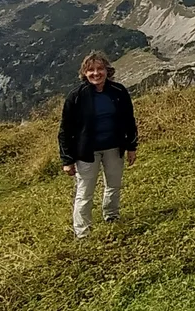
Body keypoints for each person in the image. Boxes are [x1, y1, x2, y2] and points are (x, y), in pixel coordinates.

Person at [57, 51, 139, 239]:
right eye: (91, 70)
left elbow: (129, 120)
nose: (96, 73)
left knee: (114, 185)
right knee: (85, 192)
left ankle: (111, 216)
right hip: (86, 152)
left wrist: (131, 146)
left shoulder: (118, 92)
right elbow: (65, 130)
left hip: (114, 147)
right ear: (84, 73)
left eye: (100, 69)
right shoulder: (76, 96)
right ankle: (82, 232)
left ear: (107, 71)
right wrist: (67, 160)